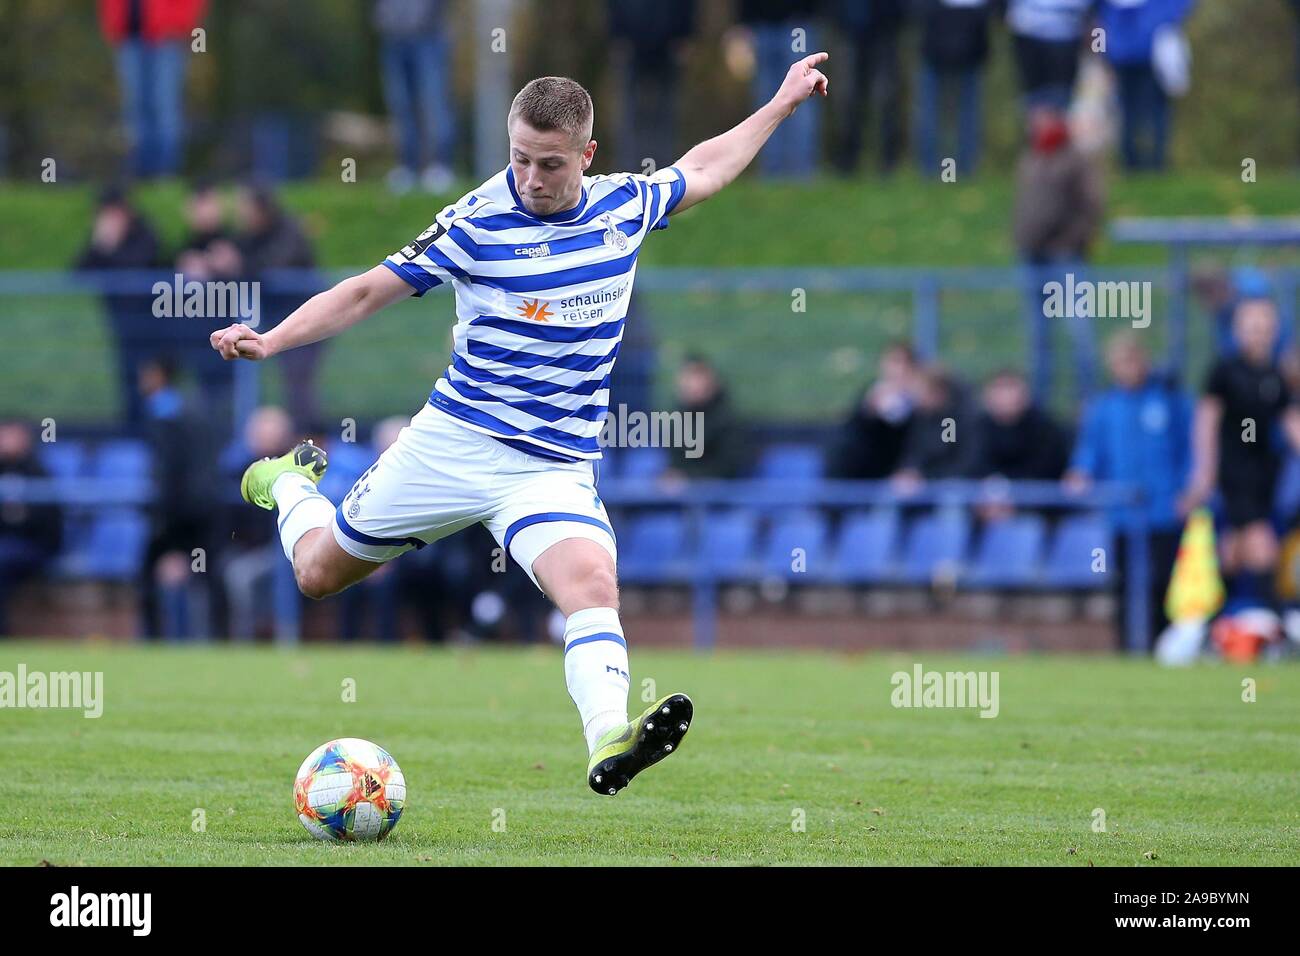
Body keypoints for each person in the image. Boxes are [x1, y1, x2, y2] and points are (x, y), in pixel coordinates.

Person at [209, 57, 831, 795]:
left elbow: (709, 165)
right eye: (520, 160)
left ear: (587, 157)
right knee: (317, 574)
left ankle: (610, 739)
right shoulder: (475, 224)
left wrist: (782, 103)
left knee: (593, 584)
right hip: (452, 445)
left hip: (550, 468)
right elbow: (367, 290)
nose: (532, 178)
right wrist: (272, 339)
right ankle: (283, 483)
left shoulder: (623, 207)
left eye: (550, 164)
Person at [1064, 333, 1192, 650]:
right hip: (1121, 513)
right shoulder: (1104, 408)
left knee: (1163, 581)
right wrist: (1080, 473)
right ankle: (1129, 648)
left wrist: (1189, 491)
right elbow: (1090, 452)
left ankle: (1166, 646)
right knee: (1125, 585)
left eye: (1132, 360)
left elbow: (1189, 449)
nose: (1128, 368)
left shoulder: (1169, 402)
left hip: (1163, 511)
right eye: (1121, 362)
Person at [1181, 299, 1300, 619]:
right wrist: (1203, 470)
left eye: (1264, 327)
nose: (1258, 334)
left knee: (1233, 551)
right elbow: (1206, 421)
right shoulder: (1226, 371)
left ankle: (1207, 624)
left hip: (1264, 474)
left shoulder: (1275, 376)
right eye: (1252, 327)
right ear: (1237, 331)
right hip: (1236, 473)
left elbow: (1291, 423)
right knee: (1263, 548)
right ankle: (1283, 625)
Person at [1013, 103, 1105, 403]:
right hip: (1032, 257)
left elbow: (1092, 207)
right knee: (1038, 337)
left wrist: (1070, 242)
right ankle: (1040, 402)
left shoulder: (1076, 161)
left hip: (1064, 258)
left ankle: (1088, 400)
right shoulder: (1032, 157)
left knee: (1079, 330)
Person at [75, 185, 162, 429]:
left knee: (149, 379)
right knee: (126, 377)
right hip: (121, 323)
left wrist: (110, 247)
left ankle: (151, 430)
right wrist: (101, 245)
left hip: (152, 324)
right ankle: (132, 427)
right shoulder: (104, 242)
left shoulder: (145, 234)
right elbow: (79, 272)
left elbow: (136, 267)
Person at [97, 0, 207, 178]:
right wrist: (113, 25)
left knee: (164, 104)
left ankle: (165, 172)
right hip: (129, 37)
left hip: (166, 38)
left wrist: (177, 23)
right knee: (135, 106)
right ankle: (142, 172)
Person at [1098, 0, 1195, 171]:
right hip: (1150, 52)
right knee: (1154, 111)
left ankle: (1133, 165)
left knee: (1129, 111)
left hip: (1123, 52)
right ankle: (1154, 164)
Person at [373, 0, 457, 194]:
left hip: (429, 34)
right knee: (400, 104)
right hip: (393, 36)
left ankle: (440, 166)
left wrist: (425, 17)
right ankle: (407, 167)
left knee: (434, 103)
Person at [913, 0, 994, 177]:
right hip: (938, 38)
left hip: (968, 40)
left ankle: (951, 171)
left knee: (961, 112)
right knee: (940, 112)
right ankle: (948, 171)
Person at [0, 421, 62, 635]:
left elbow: (48, 524)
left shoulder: (37, 470)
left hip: (34, 546)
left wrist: (18, 517)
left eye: (10, 436)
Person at [827, 341, 918, 479]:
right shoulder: (869, 399)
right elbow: (849, 444)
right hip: (861, 477)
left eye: (906, 364)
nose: (900, 370)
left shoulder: (929, 407)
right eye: (895, 363)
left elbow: (946, 436)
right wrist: (869, 412)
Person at [661, 355, 751, 482]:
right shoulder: (676, 420)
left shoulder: (728, 422)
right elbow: (675, 462)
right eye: (687, 378)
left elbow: (729, 467)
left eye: (698, 377)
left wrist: (688, 479)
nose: (692, 384)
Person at [1006, 0, 1092, 109]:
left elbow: (1098, 21)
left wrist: (1099, 51)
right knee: (1034, 98)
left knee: (1061, 97)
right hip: (1027, 35)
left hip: (1068, 37)